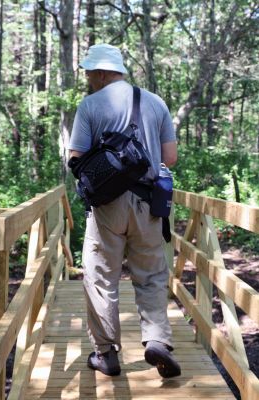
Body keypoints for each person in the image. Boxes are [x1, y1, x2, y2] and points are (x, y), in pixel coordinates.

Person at [68, 43, 180, 378]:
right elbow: (169, 158)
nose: (89, 78)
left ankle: (106, 353)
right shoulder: (156, 102)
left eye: (90, 73)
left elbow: (75, 157)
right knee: (151, 276)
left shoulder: (90, 106)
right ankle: (157, 339)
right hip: (148, 203)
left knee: (102, 278)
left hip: (107, 207)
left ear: (101, 73)